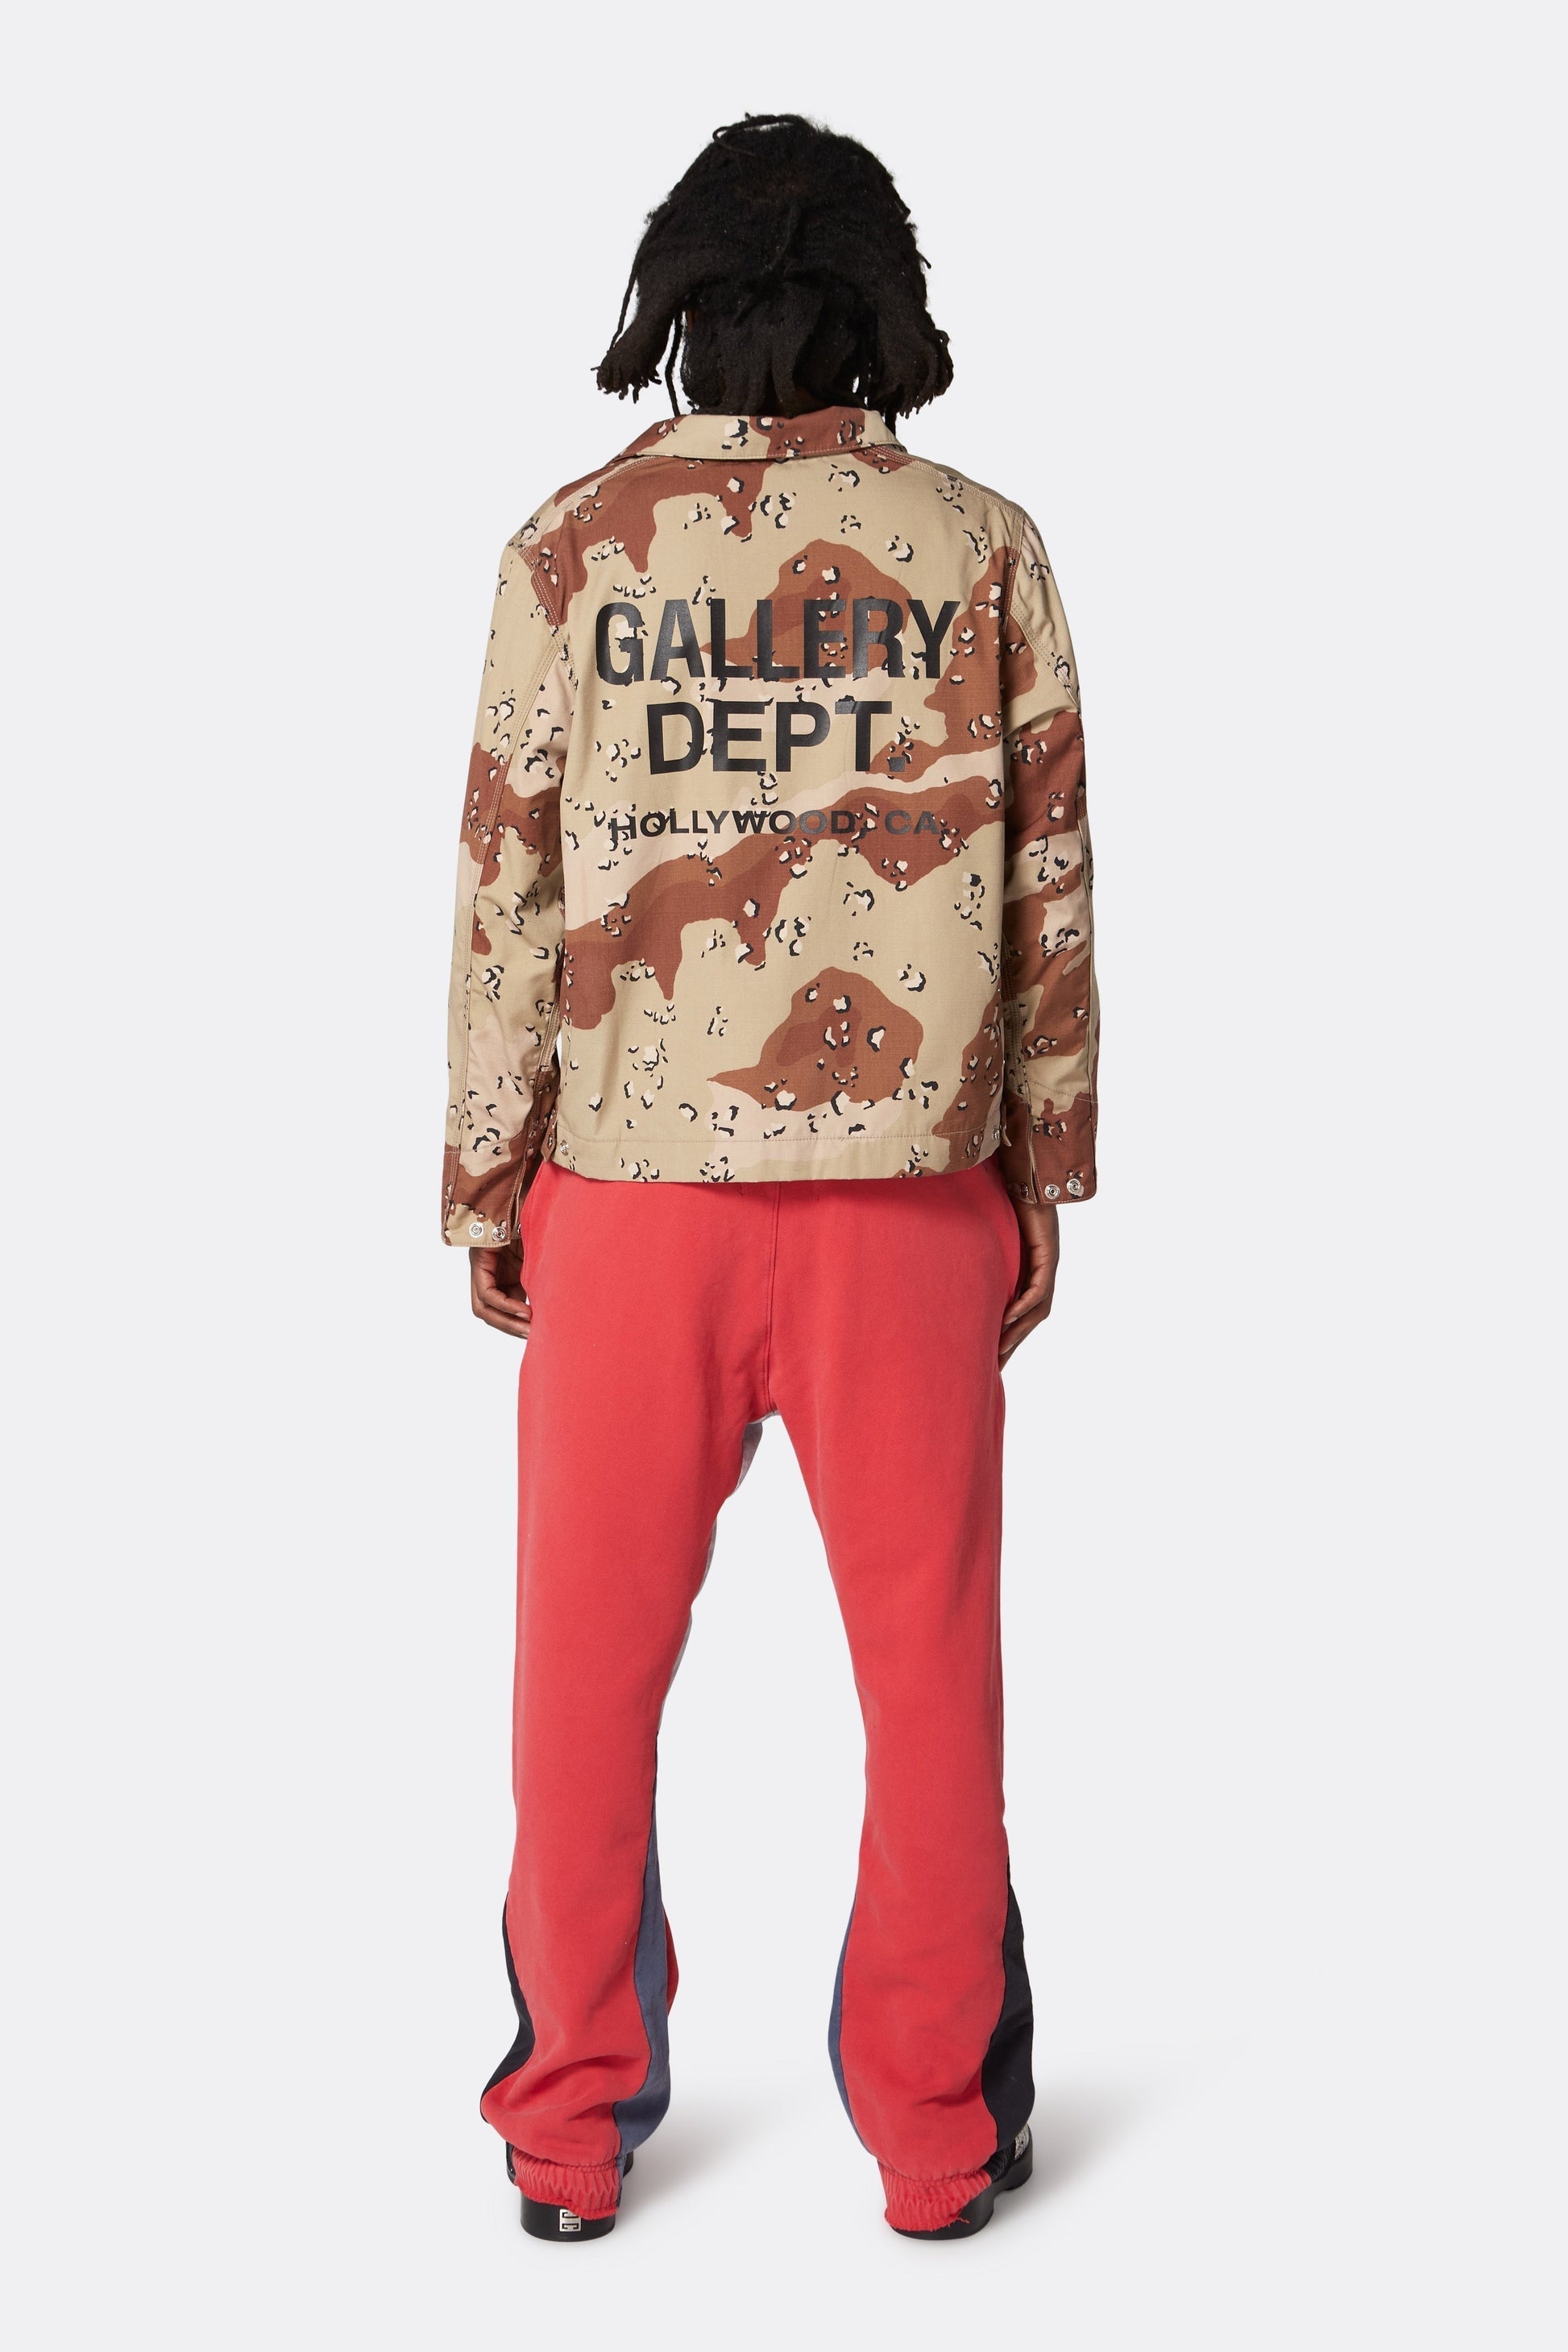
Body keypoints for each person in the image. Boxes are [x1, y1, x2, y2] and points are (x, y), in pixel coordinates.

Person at [442, 113, 1097, 2242]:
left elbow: (508, 891)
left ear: (680, 303)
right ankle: (936, 2139)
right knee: (932, 1685)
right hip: (910, 1201)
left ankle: (564, 2135)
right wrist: (1041, 1170)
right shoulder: (980, 547)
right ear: (885, 308)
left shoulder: (568, 548)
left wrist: (486, 1182)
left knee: (579, 1684)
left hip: (630, 1202)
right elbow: (1049, 879)